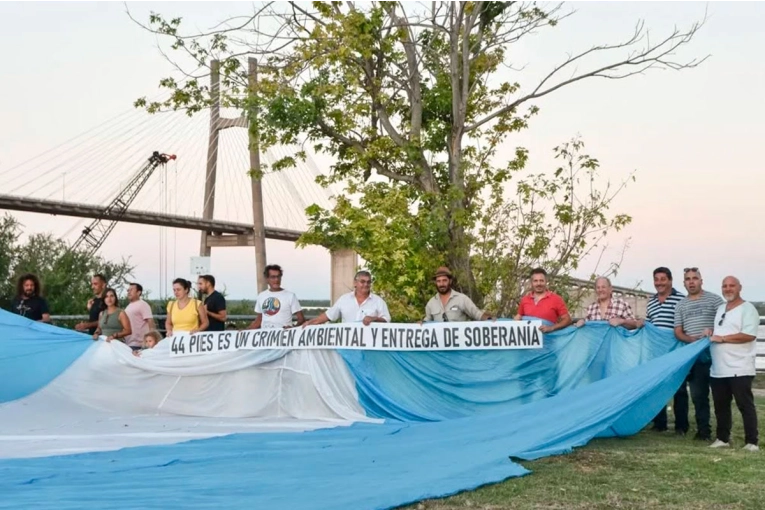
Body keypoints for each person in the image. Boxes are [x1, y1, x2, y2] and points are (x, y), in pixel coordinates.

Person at [706, 276, 759, 452]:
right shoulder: (721, 308)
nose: (728, 289)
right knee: (721, 405)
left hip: (739, 367)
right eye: (725, 286)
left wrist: (721, 338)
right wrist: (712, 332)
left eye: (731, 286)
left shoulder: (748, 309)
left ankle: (752, 442)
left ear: (739, 287)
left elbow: (748, 335)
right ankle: (722, 438)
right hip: (719, 368)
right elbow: (723, 330)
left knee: (745, 405)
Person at [673, 267, 724, 441]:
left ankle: (724, 432)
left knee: (720, 395)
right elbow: (678, 331)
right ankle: (704, 431)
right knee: (698, 395)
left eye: (695, 278)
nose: (691, 281)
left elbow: (727, 322)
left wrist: (713, 331)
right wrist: (691, 339)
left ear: (701, 280)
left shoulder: (715, 300)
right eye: (688, 279)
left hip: (716, 354)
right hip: (695, 357)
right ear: (684, 283)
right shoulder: (681, 304)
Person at [644, 267, 686, 434]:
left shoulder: (681, 300)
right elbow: (649, 324)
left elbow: (685, 324)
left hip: (676, 351)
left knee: (680, 389)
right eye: (656, 279)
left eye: (662, 279)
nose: (659, 283)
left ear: (670, 280)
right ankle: (659, 423)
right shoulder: (651, 302)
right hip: (656, 352)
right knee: (657, 387)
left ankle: (681, 426)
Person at [303, 270, 391, 326]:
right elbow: (328, 316)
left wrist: (374, 318)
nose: (366, 285)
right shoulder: (344, 300)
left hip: (369, 347)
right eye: (362, 282)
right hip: (348, 346)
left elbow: (387, 320)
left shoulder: (378, 301)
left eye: (368, 282)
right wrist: (309, 323)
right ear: (355, 283)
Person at [513, 267, 572, 333]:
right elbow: (519, 316)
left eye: (541, 280)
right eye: (535, 281)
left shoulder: (556, 299)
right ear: (531, 283)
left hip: (550, 341)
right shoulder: (524, 300)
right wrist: (515, 321)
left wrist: (551, 328)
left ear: (546, 281)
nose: (539, 284)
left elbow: (567, 320)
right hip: (529, 341)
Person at [423, 266, 492, 322]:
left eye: (444, 280)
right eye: (438, 281)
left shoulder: (462, 299)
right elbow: (427, 322)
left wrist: (492, 321)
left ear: (450, 281)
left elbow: (477, 314)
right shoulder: (431, 303)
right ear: (435, 283)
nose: (441, 284)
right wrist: (420, 325)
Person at [248, 264, 305, 329]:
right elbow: (259, 320)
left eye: (278, 276)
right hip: (266, 337)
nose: (276, 280)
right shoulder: (261, 296)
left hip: (283, 336)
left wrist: (292, 329)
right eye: (273, 277)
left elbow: (301, 319)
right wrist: (243, 332)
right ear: (267, 279)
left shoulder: (290, 296)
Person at [575, 276, 641, 329]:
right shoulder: (591, 308)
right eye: (598, 288)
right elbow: (587, 324)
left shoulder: (621, 304)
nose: (600, 290)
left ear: (610, 289)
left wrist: (622, 321)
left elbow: (635, 324)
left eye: (603, 287)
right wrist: (582, 322)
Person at [124, 282, 154, 351]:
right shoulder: (128, 306)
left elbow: (150, 321)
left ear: (138, 292)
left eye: (131, 290)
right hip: (129, 343)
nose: (129, 292)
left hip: (140, 344)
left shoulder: (143, 304)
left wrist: (152, 340)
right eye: (128, 290)